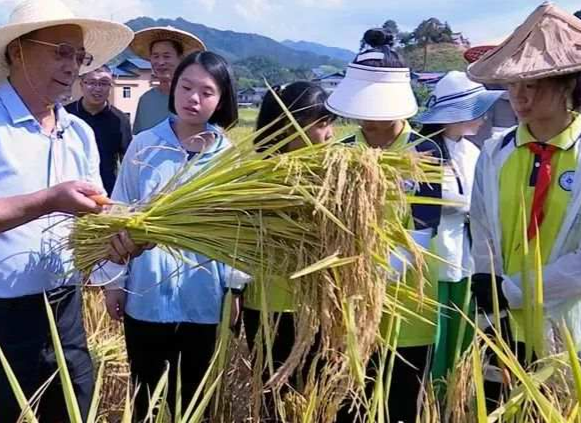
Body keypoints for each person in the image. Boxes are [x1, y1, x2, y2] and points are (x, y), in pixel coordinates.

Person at [0, 0, 135, 422]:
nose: (73, 66)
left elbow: (88, 221)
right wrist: (47, 200)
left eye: (80, 55)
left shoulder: (78, 133)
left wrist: (120, 238)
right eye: (61, 52)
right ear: (18, 50)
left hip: (63, 313)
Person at [100, 51, 248, 419]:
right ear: (174, 89)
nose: (193, 99)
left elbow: (237, 232)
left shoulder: (228, 157)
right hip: (146, 296)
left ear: (221, 100)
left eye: (207, 92)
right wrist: (114, 282)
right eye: (186, 87)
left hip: (205, 298)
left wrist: (235, 290)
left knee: (197, 404)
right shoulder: (145, 145)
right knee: (145, 402)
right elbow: (118, 214)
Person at [326, 28, 442, 423]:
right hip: (346, 314)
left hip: (407, 314)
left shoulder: (425, 152)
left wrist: (374, 271)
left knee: (400, 409)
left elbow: (424, 230)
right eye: (363, 111)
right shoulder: (341, 153)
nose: (369, 121)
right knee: (348, 409)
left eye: (379, 111)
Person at [467, 2, 581, 405]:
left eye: (532, 84)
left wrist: (516, 289)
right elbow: (480, 225)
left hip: (566, 329)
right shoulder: (497, 151)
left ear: (566, 83)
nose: (519, 95)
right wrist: (487, 282)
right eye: (513, 84)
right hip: (502, 327)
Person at [244, 81, 336, 420]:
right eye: (322, 123)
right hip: (270, 307)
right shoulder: (258, 178)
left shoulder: (332, 175)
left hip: (319, 307)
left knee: (317, 400)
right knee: (274, 402)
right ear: (291, 125)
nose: (330, 133)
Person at [413, 71, 502, 379]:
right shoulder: (420, 152)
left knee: (464, 331)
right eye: (476, 110)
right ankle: (433, 398)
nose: (483, 117)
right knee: (436, 333)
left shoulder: (474, 150)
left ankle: (458, 395)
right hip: (433, 255)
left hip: (467, 255)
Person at [65, 65, 132, 195]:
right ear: (81, 85)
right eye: (91, 83)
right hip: (70, 189)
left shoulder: (119, 119)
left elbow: (127, 161)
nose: (97, 88)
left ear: (111, 87)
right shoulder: (66, 115)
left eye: (104, 83)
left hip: (107, 192)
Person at [130, 26, 206, 134]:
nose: (161, 62)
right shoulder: (145, 100)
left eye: (167, 56)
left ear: (181, 58)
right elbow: (139, 141)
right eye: (156, 56)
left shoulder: (193, 99)